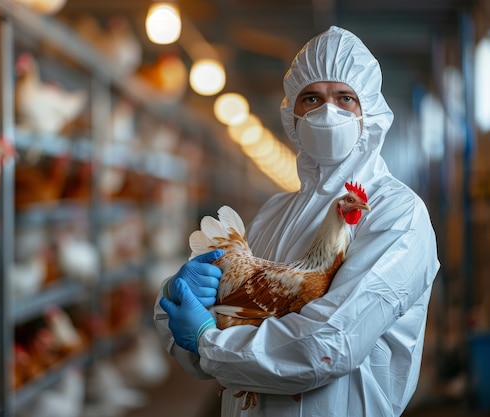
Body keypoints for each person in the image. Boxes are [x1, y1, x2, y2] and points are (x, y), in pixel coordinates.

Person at [153, 26, 440, 417]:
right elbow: (208, 355)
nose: (327, 111)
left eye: (345, 98)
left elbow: (328, 344)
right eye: (312, 98)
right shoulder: (274, 211)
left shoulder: (397, 213)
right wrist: (177, 300)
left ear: (368, 111)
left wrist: (208, 341)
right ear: (292, 112)